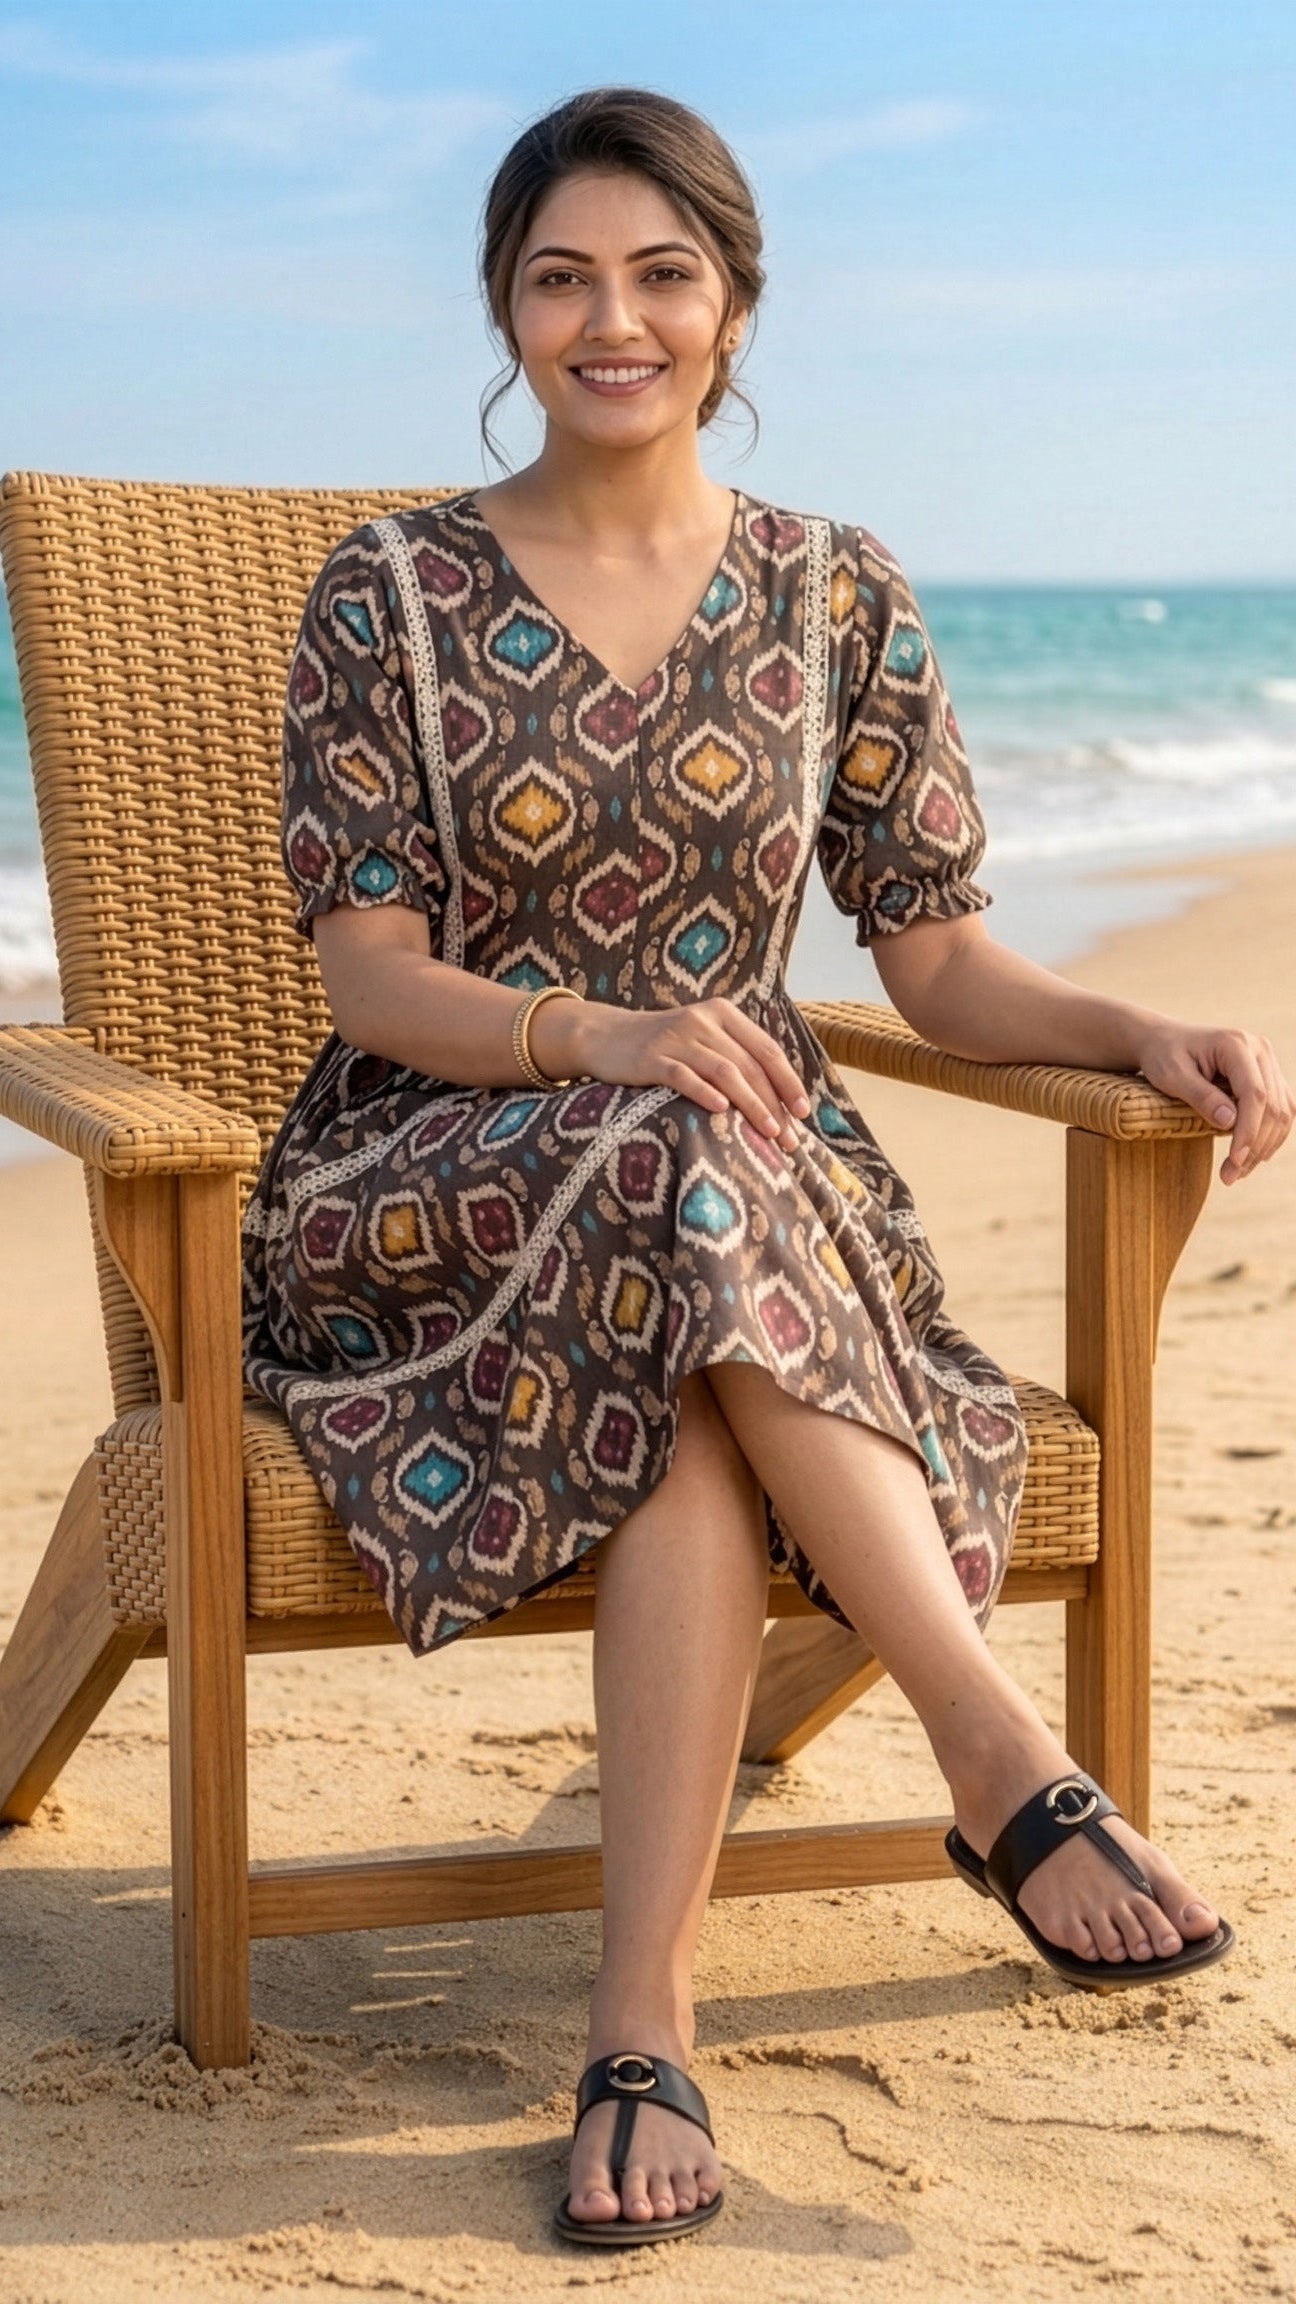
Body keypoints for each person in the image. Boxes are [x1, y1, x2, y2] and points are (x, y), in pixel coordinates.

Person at [240, 87, 1293, 2250]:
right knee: (661, 1151)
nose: (610, 321)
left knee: (691, 1368)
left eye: (660, 275)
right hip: (427, 1200)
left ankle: (642, 2023)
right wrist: (604, 1034)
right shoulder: (389, 594)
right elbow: (367, 984)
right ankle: (999, 1755)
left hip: (745, 1221)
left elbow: (936, 954)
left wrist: (1131, 1027)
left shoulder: (836, 589)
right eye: (561, 278)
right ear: (503, 308)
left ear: (731, 305)